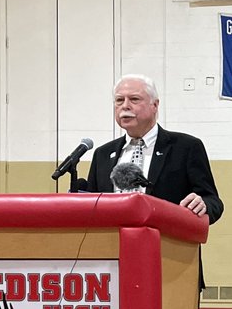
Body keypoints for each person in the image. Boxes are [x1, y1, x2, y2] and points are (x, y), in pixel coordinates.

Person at [86, 75, 224, 223]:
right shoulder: (103, 154)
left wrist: (203, 205)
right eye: (119, 100)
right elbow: (90, 207)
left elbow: (213, 201)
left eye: (134, 99)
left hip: (168, 241)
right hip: (111, 243)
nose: (125, 106)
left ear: (155, 105)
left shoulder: (186, 147)